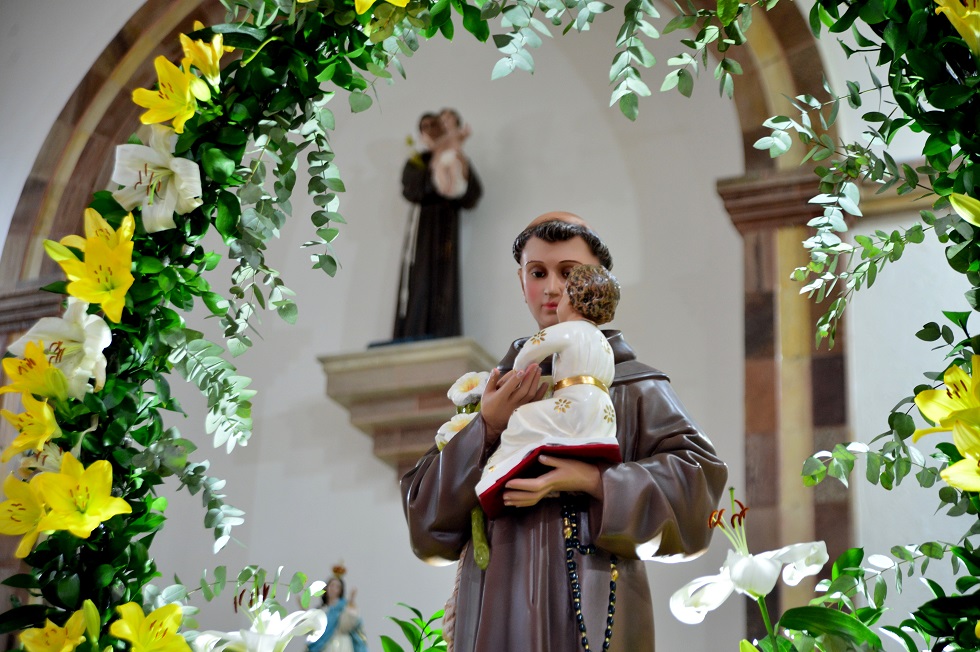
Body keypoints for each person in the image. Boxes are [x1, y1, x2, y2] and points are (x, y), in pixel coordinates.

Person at [400, 213, 728, 652]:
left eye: (569, 273)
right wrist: (488, 426)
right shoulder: (492, 395)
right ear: (522, 284)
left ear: (597, 280)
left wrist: (595, 481)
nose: (552, 288)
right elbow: (426, 525)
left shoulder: (631, 387)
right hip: (499, 607)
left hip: (593, 600)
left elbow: (697, 484)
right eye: (538, 273)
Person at [476, 264, 623, 519]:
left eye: (565, 287)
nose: (553, 291)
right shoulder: (604, 344)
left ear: (574, 299)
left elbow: (533, 347)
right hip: (602, 414)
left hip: (574, 404)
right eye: (538, 273)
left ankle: (502, 467)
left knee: (522, 417)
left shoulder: (568, 329)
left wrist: (519, 373)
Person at [393, 109, 482, 341]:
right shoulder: (419, 161)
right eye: (426, 126)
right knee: (418, 280)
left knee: (445, 281)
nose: (432, 130)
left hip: (446, 229)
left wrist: (453, 155)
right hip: (422, 230)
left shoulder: (457, 159)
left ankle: (444, 332)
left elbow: (472, 194)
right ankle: (414, 332)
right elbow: (412, 189)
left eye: (436, 125)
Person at [307, 571, 368, 652]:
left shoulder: (344, 607)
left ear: (340, 590)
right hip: (323, 645)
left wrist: (351, 602)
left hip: (341, 644)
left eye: (337, 587)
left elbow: (346, 626)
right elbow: (312, 630)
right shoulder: (322, 609)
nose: (333, 589)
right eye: (331, 585)